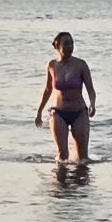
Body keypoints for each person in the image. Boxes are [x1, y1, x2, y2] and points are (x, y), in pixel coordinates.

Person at [34, 31, 97, 162]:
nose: (70, 47)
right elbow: (47, 89)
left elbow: (90, 89)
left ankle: (80, 181)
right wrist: (39, 111)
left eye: (72, 43)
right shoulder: (52, 65)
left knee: (83, 158)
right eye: (66, 43)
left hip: (79, 112)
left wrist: (92, 104)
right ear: (56, 46)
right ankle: (61, 181)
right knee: (62, 156)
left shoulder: (81, 65)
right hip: (58, 113)